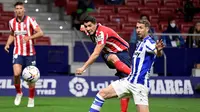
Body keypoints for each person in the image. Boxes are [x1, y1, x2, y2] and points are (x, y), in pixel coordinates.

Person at [84, 19, 165, 112]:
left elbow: (157, 53)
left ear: (147, 29)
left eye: (141, 28)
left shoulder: (149, 43)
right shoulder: (140, 43)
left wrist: (158, 50)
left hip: (140, 85)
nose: (138, 30)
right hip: (129, 81)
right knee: (102, 94)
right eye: (137, 28)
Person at [76, 15, 131, 112]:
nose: (88, 29)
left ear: (96, 24)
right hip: (109, 54)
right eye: (86, 26)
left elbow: (96, 53)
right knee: (113, 57)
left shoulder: (101, 33)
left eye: (90, 26)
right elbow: (82, 27)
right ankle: (134, 75)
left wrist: (83, 68)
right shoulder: (88, 29)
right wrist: (82, 27)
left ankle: (133, 75)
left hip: (122, 53)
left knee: (125, 83)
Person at [4, 1, 43, 107]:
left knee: (31, 77)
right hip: (17, 52)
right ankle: (19, 93)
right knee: (16, 74)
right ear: (14, 10)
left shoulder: (30, 20)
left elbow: (40, 32)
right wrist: (8, 44)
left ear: (24, 9)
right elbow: (12, 34)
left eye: (21, 8)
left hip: (30, 53)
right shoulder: (11, 22)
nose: (19, 10)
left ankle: (31, 99)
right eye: (17, 8)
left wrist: (29, 37)